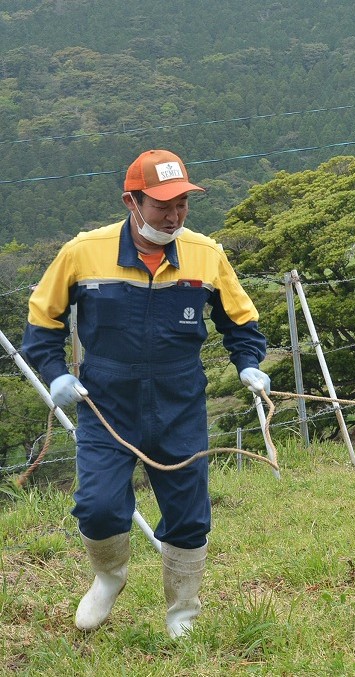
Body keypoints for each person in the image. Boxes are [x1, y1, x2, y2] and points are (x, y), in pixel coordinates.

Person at [21, 149, 270, 638]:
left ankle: (182, 612)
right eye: (162, 205)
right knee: (98, 505)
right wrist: (54, 373)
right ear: (132, 202)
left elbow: (241, 322)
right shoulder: (82, 251)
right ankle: (109, 577)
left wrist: (249, 366)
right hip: (106, 401)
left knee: (188, 513)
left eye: (182, 204)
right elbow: (42, 318)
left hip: (180, 400)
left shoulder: (206, 253)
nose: (174, 216)